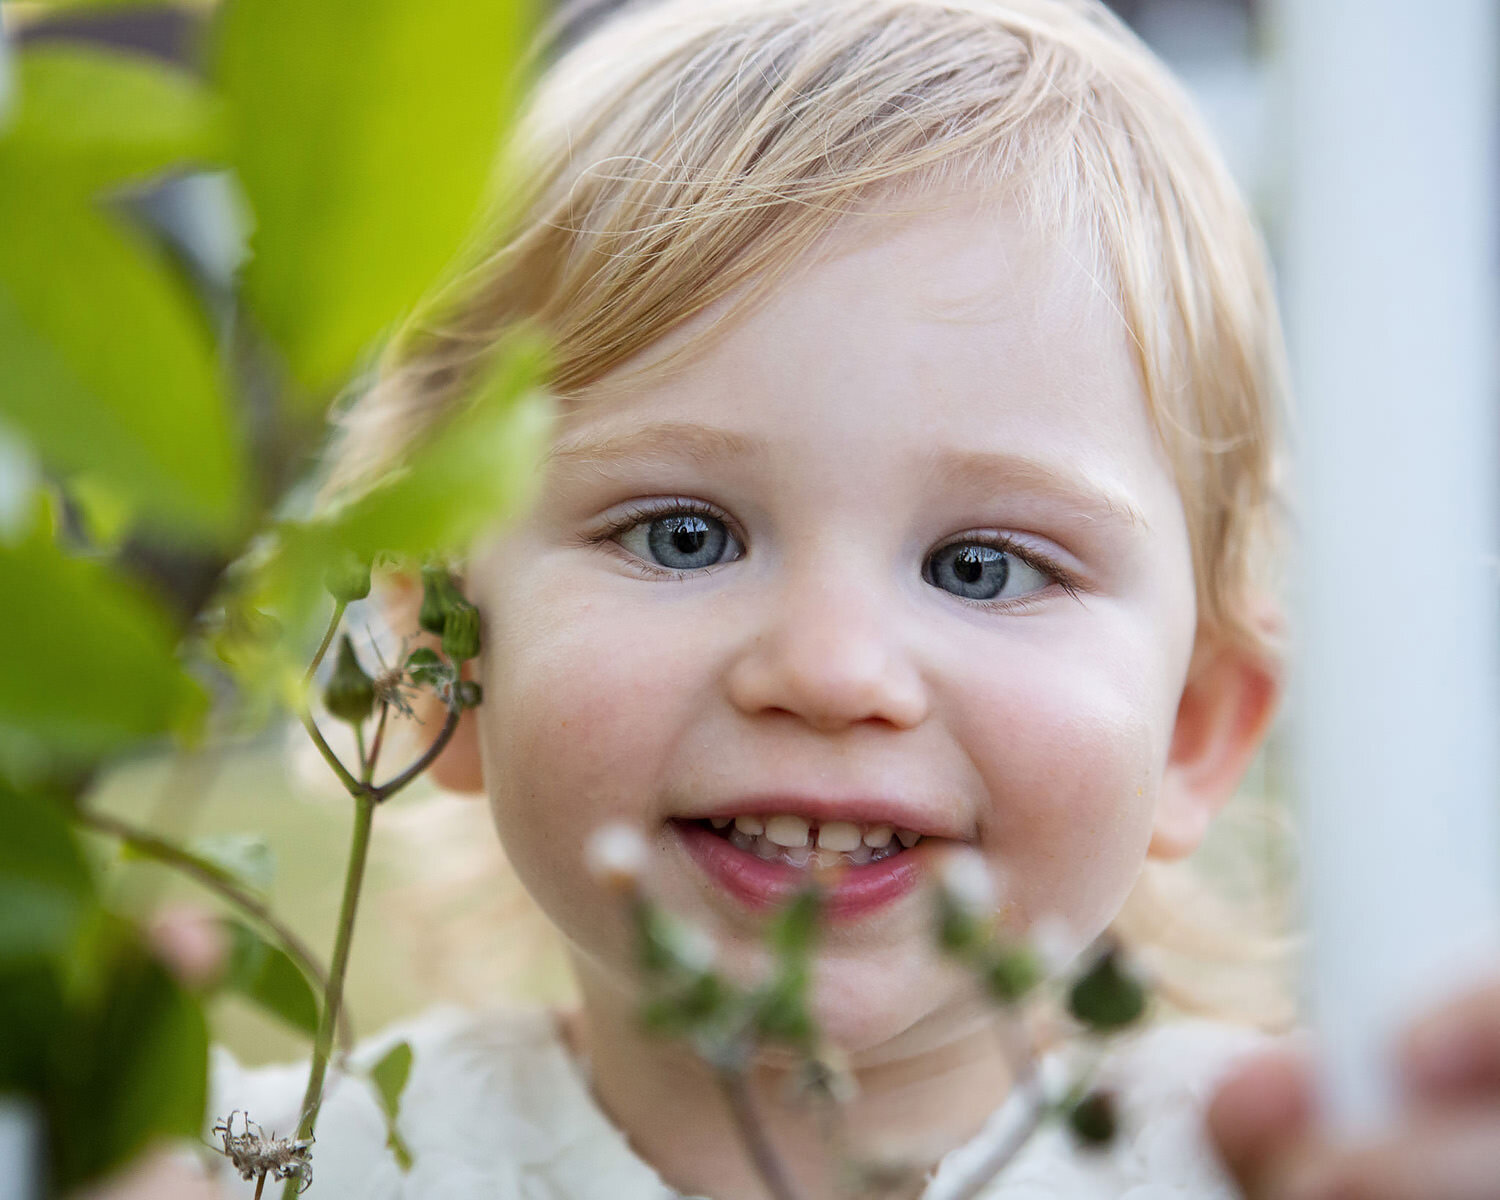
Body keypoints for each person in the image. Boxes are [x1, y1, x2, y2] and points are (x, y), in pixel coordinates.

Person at [189, 1, 1500, 1197]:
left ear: (1195, 728)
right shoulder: (297, 1161)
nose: (828, 670)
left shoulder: (1291, 1160)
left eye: (982, 567)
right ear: (439, 664)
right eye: (685, 535)